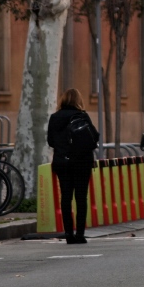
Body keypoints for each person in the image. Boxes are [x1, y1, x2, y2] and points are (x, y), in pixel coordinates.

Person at [47, 88, 99, 244]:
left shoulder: (55, 118)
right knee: (81, 198)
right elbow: (93, 138)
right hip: (82, 162)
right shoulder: (82, 116)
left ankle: (68, 234)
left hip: (62, 162)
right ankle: (80, 234)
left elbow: (50, 141)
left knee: (66, 198)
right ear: (78, 101)